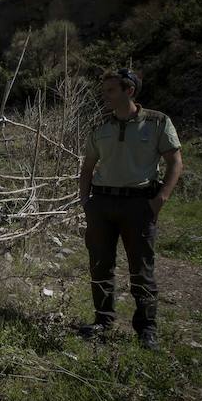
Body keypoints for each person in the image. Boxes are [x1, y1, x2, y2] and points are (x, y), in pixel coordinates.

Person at [78, 69, 183, 350]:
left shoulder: (157, 122)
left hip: (139, 204)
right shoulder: (100, 125)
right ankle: (102, 320)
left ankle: (146, 329)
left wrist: (160, 199)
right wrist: (85, 201)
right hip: (101, 203)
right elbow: (87, 166)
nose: (105, 95)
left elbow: (175, 162)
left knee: (141, 268)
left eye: (111, 90)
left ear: (129, 91)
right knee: (100, 263)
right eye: (105, 90)